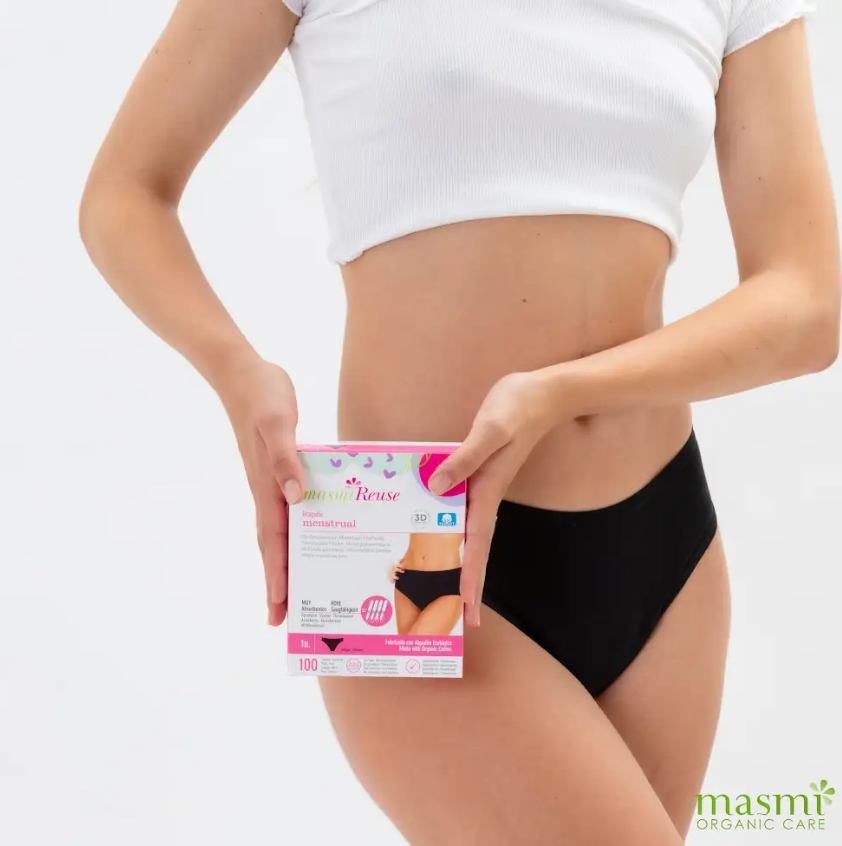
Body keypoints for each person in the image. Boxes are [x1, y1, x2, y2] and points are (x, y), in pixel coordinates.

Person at [78, 1, 840, 843]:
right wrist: (236, 369)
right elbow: (124, 193)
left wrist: (560, 391)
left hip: (666, 543)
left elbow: (807, 306)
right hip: (405, 538)